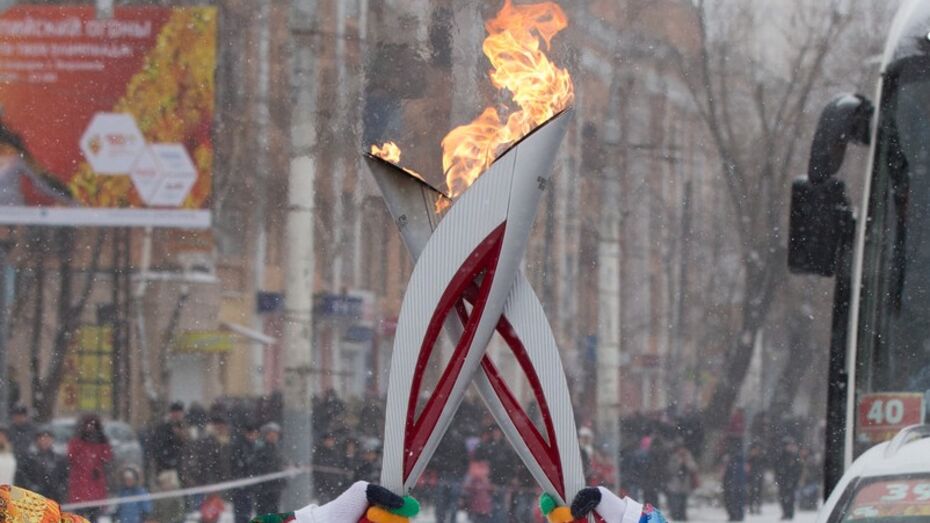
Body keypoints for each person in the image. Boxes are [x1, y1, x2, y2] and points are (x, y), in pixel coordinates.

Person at [67, 414, 113, 522]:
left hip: (95, 485)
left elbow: (107, 458)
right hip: (80, 486)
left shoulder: (101, 442)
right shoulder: (77, 442)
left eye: (93, 425)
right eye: (87, 425)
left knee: (94, 517)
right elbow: (71, 457)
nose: (90, 428)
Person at [430, 425, 469, 523]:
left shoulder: (439, 438)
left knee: (441, 502)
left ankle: (441, 520)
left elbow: (434, 457)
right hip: (455, 474)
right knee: (453, 502)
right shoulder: (460, 439)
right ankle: (452, 520)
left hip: (443, 473)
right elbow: (465, 459)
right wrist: (462, 472)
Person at [16, 428, 68, 500]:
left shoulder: (59, 459)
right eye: (42, 438)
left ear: (52, 440)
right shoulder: (29, 459)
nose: (45, 441)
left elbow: (65, 477)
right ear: (37, 441)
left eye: (48, 438)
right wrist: (32, 488)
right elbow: (23, 477)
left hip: (55, 497)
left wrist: (60, 489)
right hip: (34, 497)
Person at [231, 422, 263, 523]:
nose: (253, 436)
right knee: (241, 513)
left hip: (249, 485)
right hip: (241, 485)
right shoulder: (240, 445)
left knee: (247, 511)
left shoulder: (256, 446)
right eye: (251, 433)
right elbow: (240, 463)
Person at [255, 422, 286, 515]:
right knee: (263, 512)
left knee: (274, 512)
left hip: (275, 488)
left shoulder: (278, 450)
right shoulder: (261, 450)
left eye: (275, 434)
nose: (273, 437)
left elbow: (281, 466)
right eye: (270, 434)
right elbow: (258, 467)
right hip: (264, 488)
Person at [666, 440, 698, 521]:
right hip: (675, 483)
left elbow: (693, 468)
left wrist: (686, 462)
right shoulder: (673, 457)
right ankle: (675, 515)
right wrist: (679, 463)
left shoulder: (688, 456)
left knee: (683, 501)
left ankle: (682, 516)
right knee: (675, 501)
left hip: (685, 483)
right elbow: (670, 469)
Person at [312, 432, 345, 502]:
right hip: (322, 485)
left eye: (331, 440)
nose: (329, 442)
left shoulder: (337, 453)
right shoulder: (319, 452)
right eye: (328, 440)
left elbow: (339, 468)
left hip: (334, 486)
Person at [774, 438, 802, 520]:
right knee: (783, 498)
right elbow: (777, 468)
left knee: (791, 498)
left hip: (791, 481)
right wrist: (779, 478)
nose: (790, 447)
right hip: (783, 481)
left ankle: (790, 513)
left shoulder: (794, 456)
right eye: (788, 445)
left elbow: (798, 468)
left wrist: (795, 479)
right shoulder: (780, 456)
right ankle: (785, 512)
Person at [721, 439, 746, 522]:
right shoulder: (737, 460)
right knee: (734, 500)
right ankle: (735, 515)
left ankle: (735, 515)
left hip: (734, 483)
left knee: (734, 500)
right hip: (734, 483)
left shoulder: (735, 460)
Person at [746, 443, 766, 515]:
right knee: (752, 492)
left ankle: (758, 506)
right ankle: (751, 507)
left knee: (759, 492)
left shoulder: (761, 458)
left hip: (759, 476)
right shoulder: (749, 458)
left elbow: (764, 465)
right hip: (752, 477)